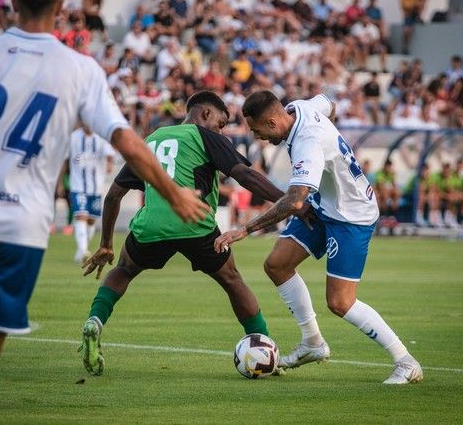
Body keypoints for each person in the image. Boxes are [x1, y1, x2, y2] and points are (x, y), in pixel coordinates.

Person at [0, 0, 209, 423]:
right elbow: (126, 140)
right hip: (23, 226)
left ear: (14, 2)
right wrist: (175, 192)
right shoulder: (80, 68)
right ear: (59, 6)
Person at [214, 90, 423, 384]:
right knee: (277, 264)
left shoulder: (307, 142)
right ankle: (313, 343)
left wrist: (245, 229)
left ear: (273, 122)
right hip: (326, 206)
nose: (256, 135)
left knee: (340, 302)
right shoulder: (297, 108)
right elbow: (330, 104)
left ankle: (405, 360)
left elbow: (295, 202)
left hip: (352, 216)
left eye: (256, 129)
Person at [79, 91, 285, 376]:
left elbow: (113, 195)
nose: (221, 130)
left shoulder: (151, 140)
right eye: (221, 123)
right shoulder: (205, 136)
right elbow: (246, 175)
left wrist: (106, 244)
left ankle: (95, 322)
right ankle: (265, 346)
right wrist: (289, 201)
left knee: (124, 270)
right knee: (232, 280)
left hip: (150, 225)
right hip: (195, 221)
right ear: (205, 114)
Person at [67, 126, 115, 263]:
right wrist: (59, 182)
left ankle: (83, 248)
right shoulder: (73, 137)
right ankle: (82, 249)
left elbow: (110, 154)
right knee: (81, 215)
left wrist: (110, 164)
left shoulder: (100, 137)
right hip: (78, 186)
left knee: (91, 219)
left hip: (96, 187)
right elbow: (65, 158)